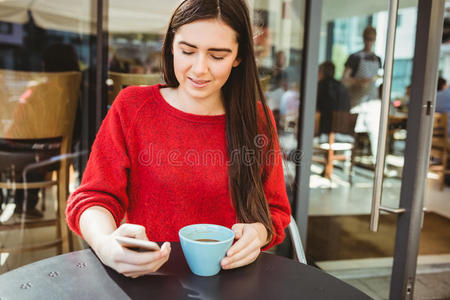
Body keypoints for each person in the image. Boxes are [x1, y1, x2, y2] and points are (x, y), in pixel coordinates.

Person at [66, 0, 291, 279]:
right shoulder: (132, 107)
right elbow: (93, 197)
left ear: (239, 56)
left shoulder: (257, 120)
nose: (199, 69)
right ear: (171, 45)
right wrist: (105, 244)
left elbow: (276, 210)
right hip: (149, 280)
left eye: (217, 56)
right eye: (187, 51)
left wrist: (258, 232)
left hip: (232, 282)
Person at [0, 43, 80, 221]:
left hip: (24, 151)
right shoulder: (73, 93)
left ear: (45, 65)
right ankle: (26, 202)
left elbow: (19, 121)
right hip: (54, 151)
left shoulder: (37, 90)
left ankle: (14, 202)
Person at [342, 26, 382, 109]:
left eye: (371, 39)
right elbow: (344, 79)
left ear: (374, 40)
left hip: (372, 99)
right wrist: (358, 82)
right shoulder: (355, 57)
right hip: (357, 102)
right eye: (367, 39)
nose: (369, 42)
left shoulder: (377, 59)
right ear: (363, 39)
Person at [316, 61, 350, 135]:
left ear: (321, 72)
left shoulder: (319, 87)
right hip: (343, 128)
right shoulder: (342, 87)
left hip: (323, 129)